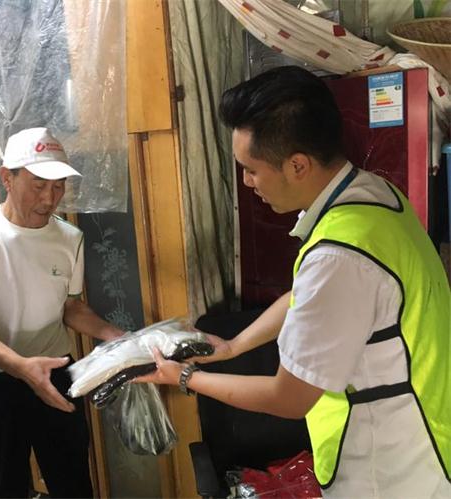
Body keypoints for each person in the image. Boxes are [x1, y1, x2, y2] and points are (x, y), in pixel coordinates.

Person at [137, 66, 450, 498]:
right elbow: (310, 296)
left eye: (251, 169)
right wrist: (233, 346)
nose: (247, 182)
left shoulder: (338, 256)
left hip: (391, 469)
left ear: (297, 165)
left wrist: (185, 377)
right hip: (428, 430)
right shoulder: (375, 196)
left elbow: (289, 397)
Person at [0, 127, 123, 498]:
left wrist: (114, 336)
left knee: (73, 483)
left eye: (58, 186)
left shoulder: (70, 238)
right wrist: (21, 367)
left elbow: (70, 307)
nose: (49, 198)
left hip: (56, 375)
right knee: (0, 488)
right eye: (38, 185)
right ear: (7, 178)